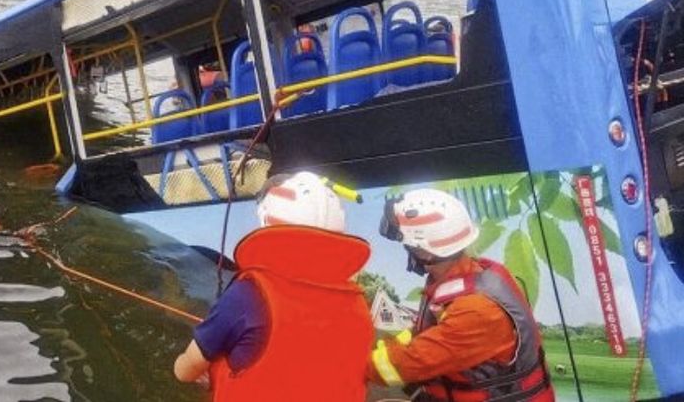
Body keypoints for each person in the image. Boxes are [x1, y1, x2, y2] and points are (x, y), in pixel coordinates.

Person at [173, 172, 373, 402]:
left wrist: (197, 368)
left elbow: (186, 370)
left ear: (268, 221)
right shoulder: (359, 305)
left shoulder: (248, 295)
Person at [368, 189, 554, 401]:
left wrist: (353, 364)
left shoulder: (476, 310)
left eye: (407, 244)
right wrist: (378, 345)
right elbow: (424, 334)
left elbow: (407, 364)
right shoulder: (465, 276)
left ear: (425, 251)